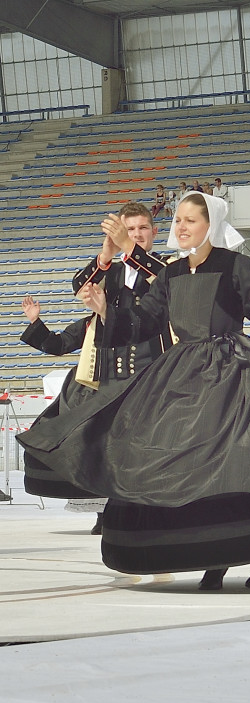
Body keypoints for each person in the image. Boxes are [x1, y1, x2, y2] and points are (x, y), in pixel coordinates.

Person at [18, 191, 250, 589]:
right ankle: (217, 556)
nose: (180, 227)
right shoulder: (171, 273)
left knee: (243, 464)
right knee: (193, 466)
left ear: (209, 225)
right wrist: (107, 310)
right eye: (177, 220)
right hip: (183, 376)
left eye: (189, 221)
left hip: (232, 373)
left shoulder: (234, 265)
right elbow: (143, 323)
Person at [19, 202, 173, 521]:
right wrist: (106, 253)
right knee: (111, 448)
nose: (136, 234)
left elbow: (168, 283)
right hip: (111, 376)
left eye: (143, 228)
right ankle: (114, 509)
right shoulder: (113, 272)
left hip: (154, 371)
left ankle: (154, 509)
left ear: (155, 232)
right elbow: (80, 287)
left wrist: (128, 248)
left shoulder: (168, 266)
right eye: (129, 230)